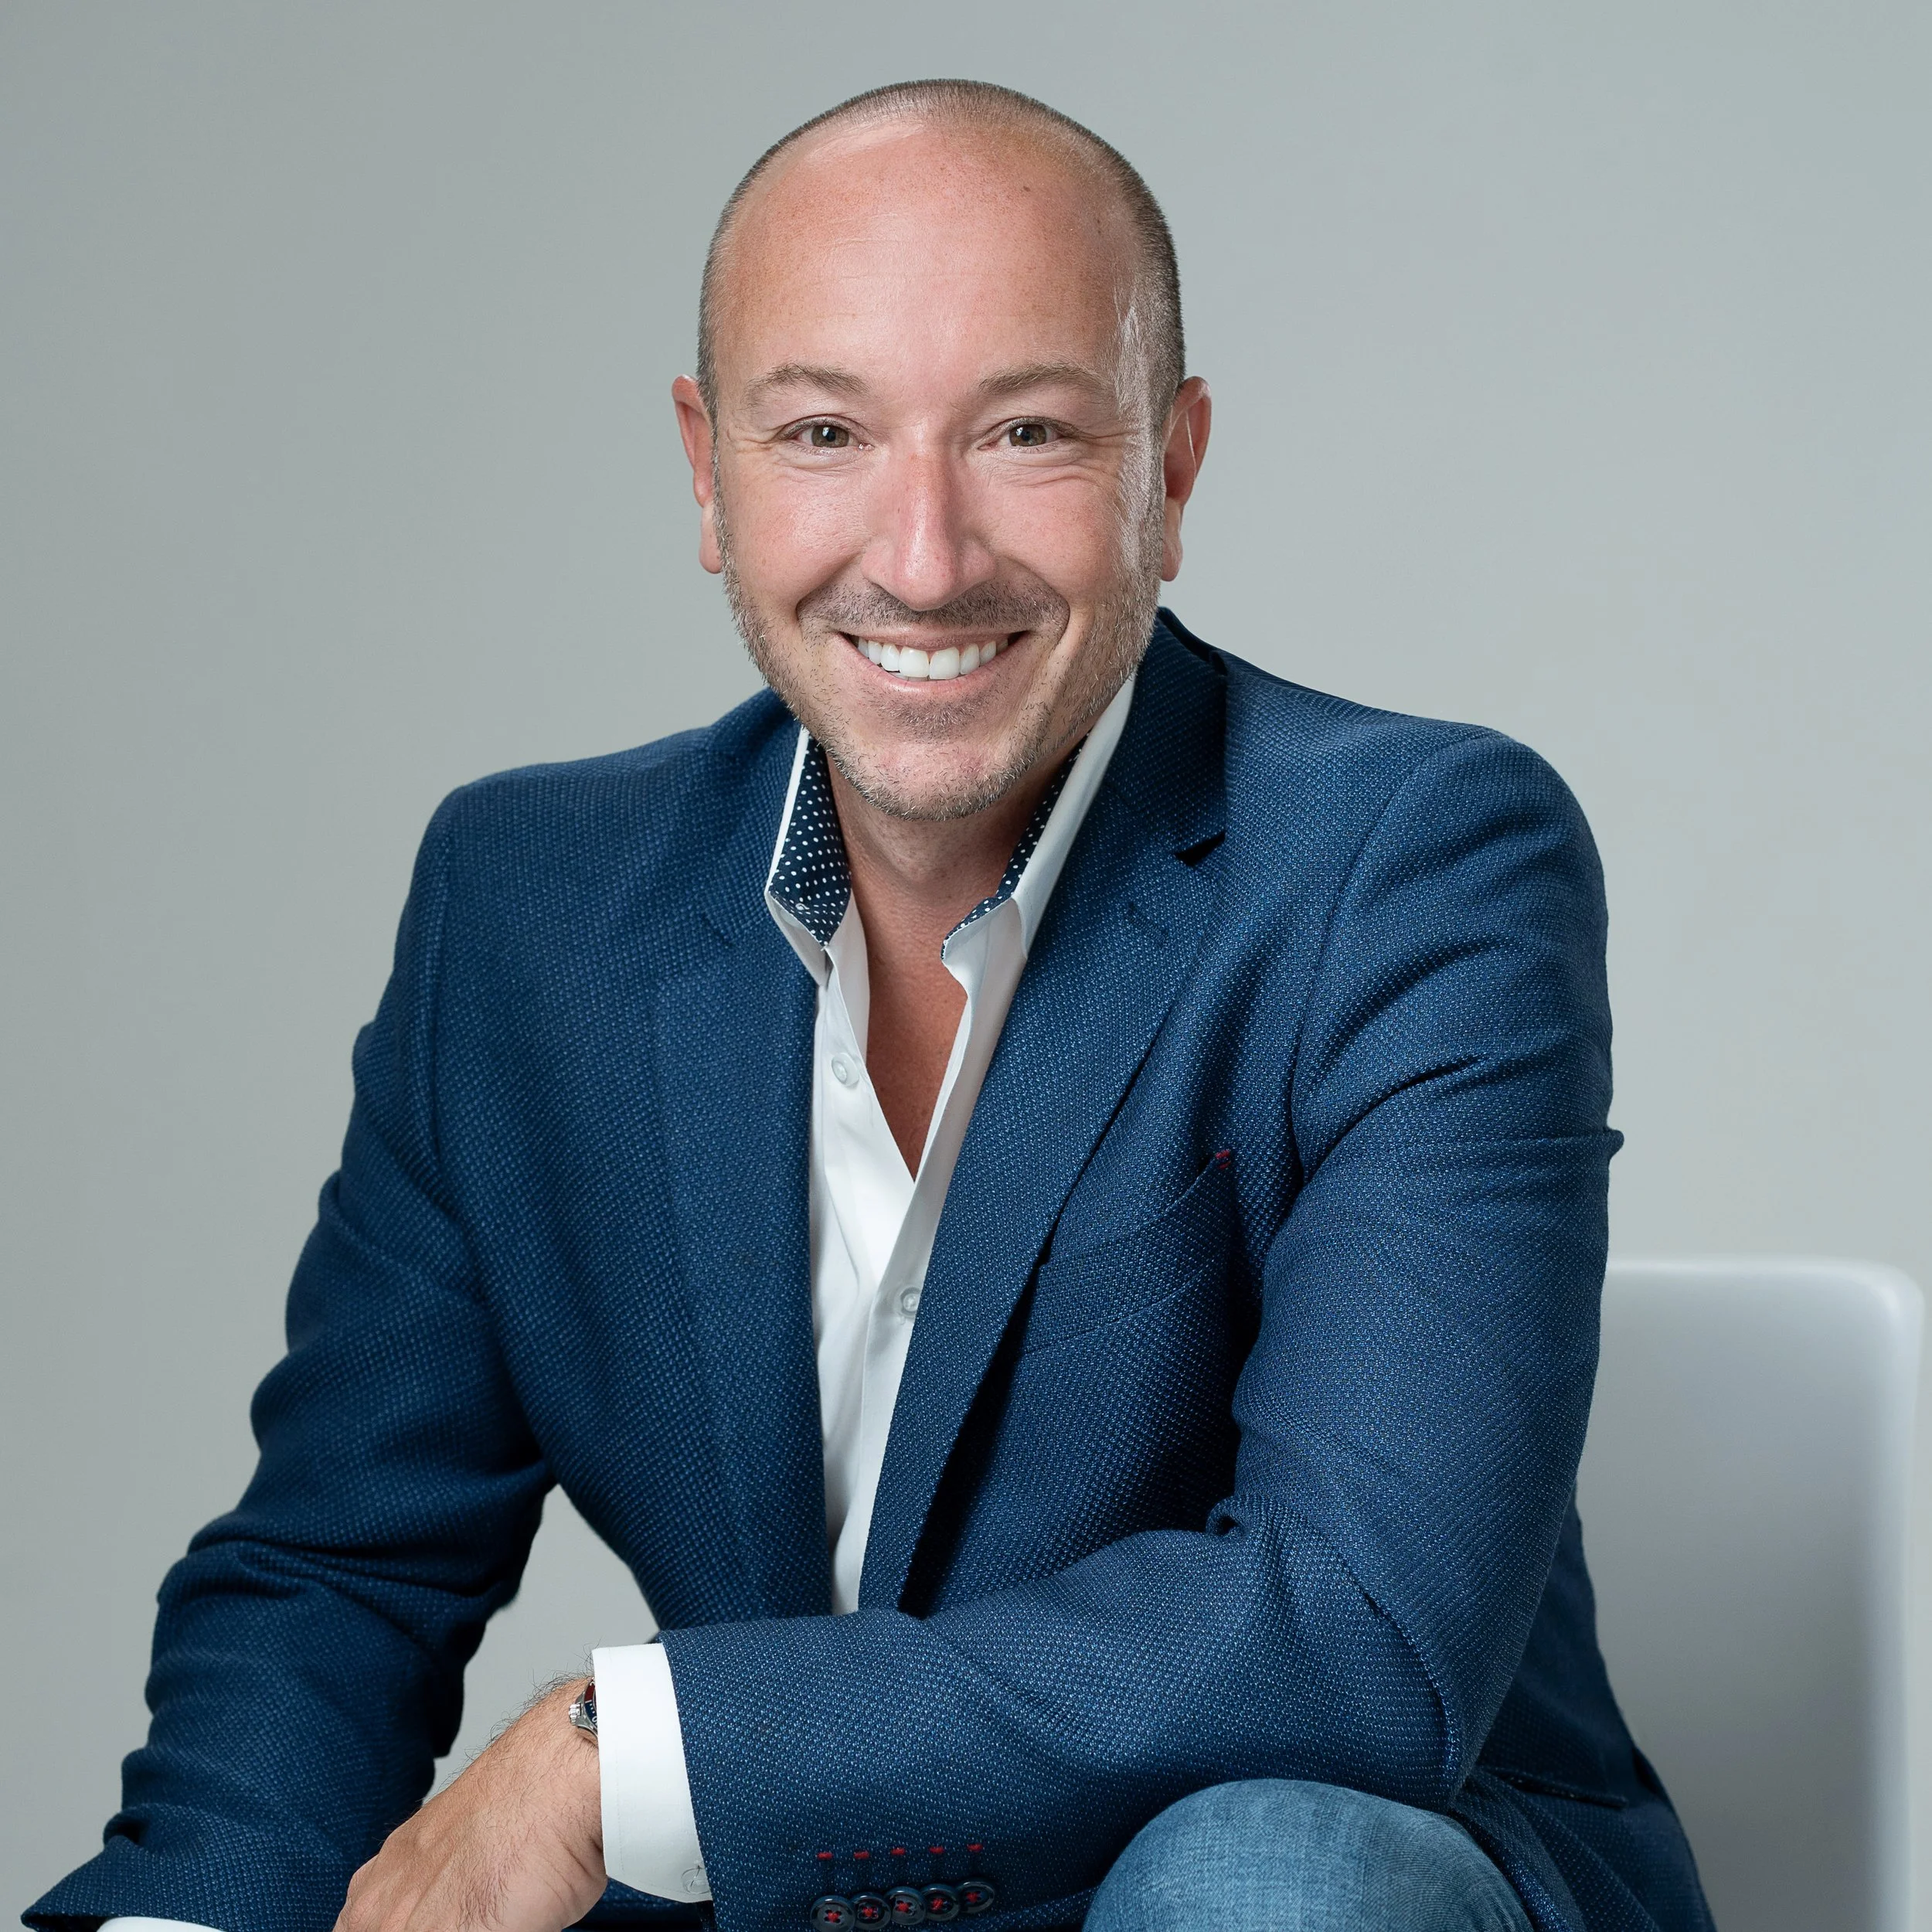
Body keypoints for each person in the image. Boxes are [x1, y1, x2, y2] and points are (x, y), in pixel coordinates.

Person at [27, 80, 1713, 1932]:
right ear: (707, 473)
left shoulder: (1413, 862)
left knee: (1261, 1878)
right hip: (805, 1901)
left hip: (1316, 1879)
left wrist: (616, 1752)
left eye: (1025, 432)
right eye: (823, 432)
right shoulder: (531, 906)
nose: (921, 555)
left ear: (1168, 472)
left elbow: (1353, 1628)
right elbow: (338, 1570)